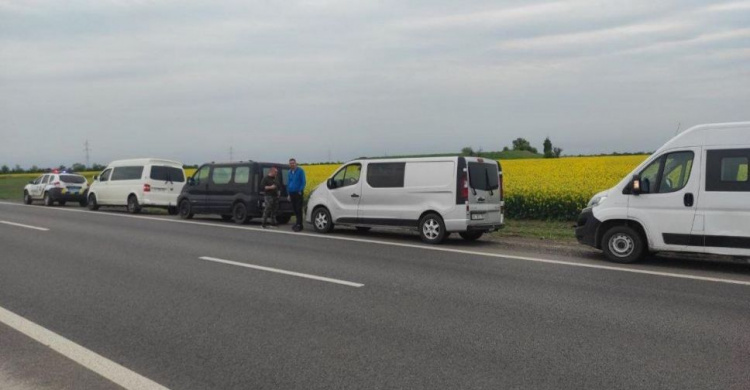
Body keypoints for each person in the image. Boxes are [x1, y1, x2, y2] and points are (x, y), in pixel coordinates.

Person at [287, 158, 306, 232]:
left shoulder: (300, 171)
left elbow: (303, 181)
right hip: (291, 193)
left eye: (293, 163)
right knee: (294, 209)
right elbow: (289, 183)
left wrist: (300, 190)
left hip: (298, 193)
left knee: (298, 209)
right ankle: (297, 223)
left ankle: (299, 225)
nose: (292, 164)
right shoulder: (289, 172)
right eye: (290, 163)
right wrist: (288, 193)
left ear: (296, 163)